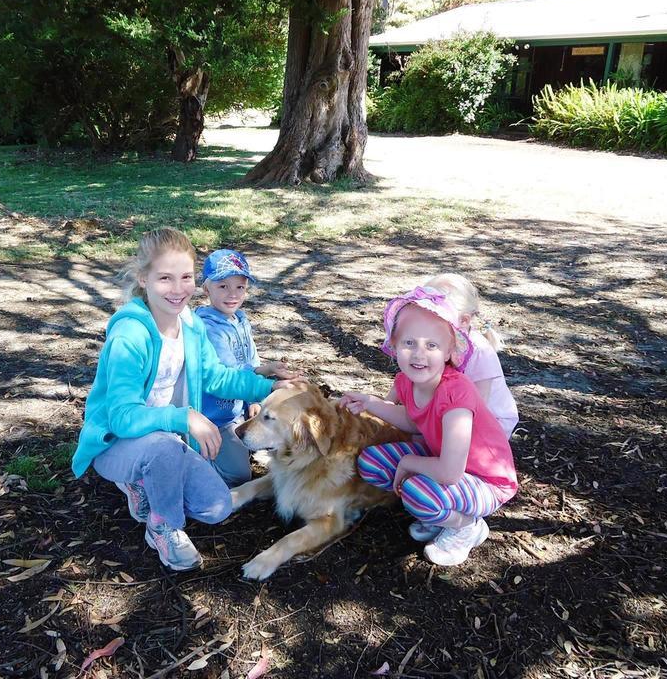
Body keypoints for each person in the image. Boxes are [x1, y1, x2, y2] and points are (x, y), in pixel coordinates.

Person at [71, 228, 287, 571]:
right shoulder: (131, 335)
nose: (178, 289)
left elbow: (217, 377)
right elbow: (121, 417)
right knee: (163, 450)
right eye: (165, 278)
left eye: (186, 277)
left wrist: (267, 388)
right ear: (144, 279)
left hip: (171, 439)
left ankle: (149, 482)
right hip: (118, 444)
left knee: (216, 509)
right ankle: (161, 525)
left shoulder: (190, 324)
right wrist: (183, 417)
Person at [339, 287, 518, 567]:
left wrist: (409, 462)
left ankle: (465, 526)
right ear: (394, 344)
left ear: (449, 351)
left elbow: (450, 471)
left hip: (486, 480)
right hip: (444, 465)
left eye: (431, 345)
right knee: (371, 462)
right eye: (409, 342)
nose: (418, 354)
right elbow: (412, 420)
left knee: (416, 491)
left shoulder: (456, 393)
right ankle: (437, 511)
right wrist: (369, 403)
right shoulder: (407, 381)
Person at [196, 249, 297, 486]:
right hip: (215, 418)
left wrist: (254, 397)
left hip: (238, 410)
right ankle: (196, 462)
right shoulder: (208, 327)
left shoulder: (240, 319)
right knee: (239, 476)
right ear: (206, 289)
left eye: (240, 287)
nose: (232, 294)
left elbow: (250, 362)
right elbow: (230, 376)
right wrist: (268, 381)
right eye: (223, 287)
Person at [425, 273, 519, 438]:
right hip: (454, 407)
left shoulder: (480, 352)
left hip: (490, 423)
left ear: (464, 321)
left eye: (436, 316)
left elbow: (479, 404)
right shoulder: (440, 339)